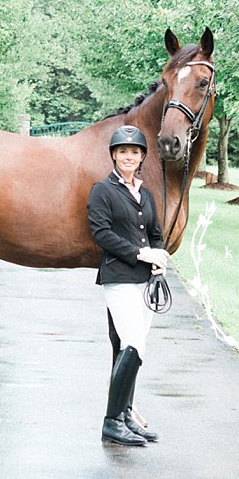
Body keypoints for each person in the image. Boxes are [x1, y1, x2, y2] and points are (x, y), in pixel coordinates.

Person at [87, 124, 169, 447]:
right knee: (133, 342)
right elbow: (101, 234)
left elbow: (155, 232)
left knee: (135, 348)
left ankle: (125, 415)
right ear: (114, 155)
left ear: (141, 157)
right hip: (118, 278)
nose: (128, 157)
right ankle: (111, 422)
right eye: (123, 152)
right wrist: (139, 253)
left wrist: (158, 258)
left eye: (134, 152)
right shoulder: (102, 191)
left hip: (145, 281)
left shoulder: (145, 195)